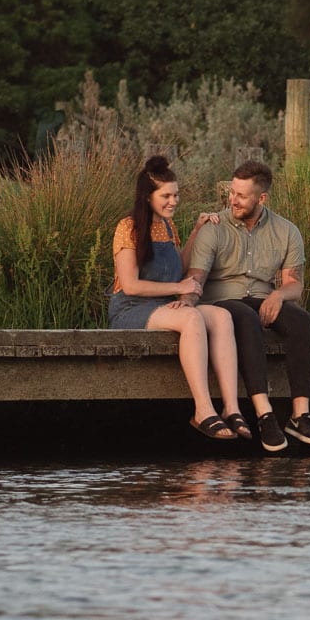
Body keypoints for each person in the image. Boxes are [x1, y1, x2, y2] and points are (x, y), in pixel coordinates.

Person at [184, 159, 310, 453]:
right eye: (231, 193)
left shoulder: (287, 231)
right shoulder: (214, 228)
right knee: (246, 317)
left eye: (241, 196)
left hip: (263, 298)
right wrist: (185, 304)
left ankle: (301, 415)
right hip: (224, 302)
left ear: (261, 198)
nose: (233, 200)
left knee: (301, 320)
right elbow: (196, 278)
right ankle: (264, 414)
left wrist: (278, 296)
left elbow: (294, 284)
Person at [109, 156, 249, 441]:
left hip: (161, 306)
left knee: (222, 316)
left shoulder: (168, 226)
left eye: (176, 194)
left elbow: (180, 268)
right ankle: (203, 409)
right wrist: (179, 286)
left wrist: (197, 231)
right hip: (131, 308)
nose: (173, 201)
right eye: (166, 196)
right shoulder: (128, 227)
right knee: (191, 316)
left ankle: (232, 408)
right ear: (147, 197)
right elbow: (131, 286)